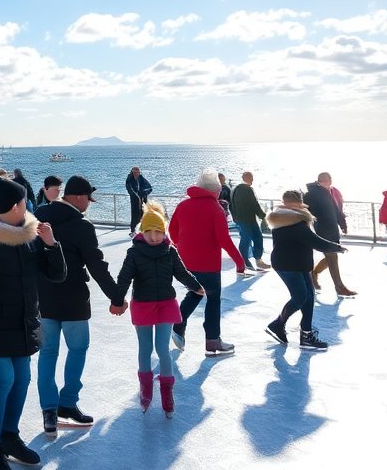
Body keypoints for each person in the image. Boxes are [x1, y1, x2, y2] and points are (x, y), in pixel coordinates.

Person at [0, 177, 65, 470]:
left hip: (24, 322)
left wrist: (51, 244)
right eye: (24, 201)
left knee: (22, 378)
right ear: (17, 205)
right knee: (4, 379)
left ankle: (9, 436)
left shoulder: (32, 234)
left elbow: (57, 275)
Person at [33, 175, 125, 433]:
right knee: (78, 349)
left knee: (47, 353)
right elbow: (97, 265)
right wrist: (116, 297)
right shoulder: (82, 226)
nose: (89, 204)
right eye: (88, 199)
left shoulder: (38, 217)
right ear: (78, 197)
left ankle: (49, 411)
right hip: (73, 299)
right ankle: (67, 403)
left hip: (44, 299)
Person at [111, 203, 202, 417]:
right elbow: (124, 278)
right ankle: (146, 389)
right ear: (142, 231)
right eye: (149, 232)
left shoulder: (170, 251)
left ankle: (167, 393)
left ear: (164, 232)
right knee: (145, 349)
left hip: (165, 305)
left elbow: (181, 273)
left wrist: (195, 286)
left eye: (158, 232)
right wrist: (117, 300)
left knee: (162, 349)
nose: (154, 237)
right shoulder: (134, 253)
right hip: (143, 305)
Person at [168, 170, 246, 356]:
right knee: (212, 299)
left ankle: (178, 325)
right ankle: (212, 341)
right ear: (214, 191)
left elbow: (172, 230)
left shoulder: (183, 205)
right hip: (209, 264)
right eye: (218, 190)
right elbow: (224, 239)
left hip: (186, 263)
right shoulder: (216, 209)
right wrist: (239, 261)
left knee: (195, 291)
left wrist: (180, 246)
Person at [264, 190, 347, 350]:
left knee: (309, 297)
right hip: (288, 265)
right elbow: (314, 241)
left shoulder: (282, 217)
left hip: (299, 263)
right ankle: (277, 324)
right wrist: (336, 247)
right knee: (300, 297)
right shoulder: (295, 221)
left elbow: (306, 241)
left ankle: (306, 335)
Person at [303, 173, 356, 297]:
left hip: (332, 229)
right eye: (325, 180)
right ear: (319, 181)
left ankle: (314, 273)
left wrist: (342, 224)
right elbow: (305, 212)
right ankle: (339, 287)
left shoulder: (328, 192)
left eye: (329, 180)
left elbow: (336, 210)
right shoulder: (311, 194)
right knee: (332, 256)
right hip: (323, 229)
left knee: (331, 256)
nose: (328, 182)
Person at [230, 171, 270, 271]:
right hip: (247, 220)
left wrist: (235, 218)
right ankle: (247, 262)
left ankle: (253, 261)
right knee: (251, 239)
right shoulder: (247, 189)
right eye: (251, 178)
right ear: (246, 178)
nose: (252, 180)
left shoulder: (235, 189)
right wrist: (263, 216)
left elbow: (231, 205)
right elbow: (254, 204)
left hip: (242, 219)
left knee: (249, 239)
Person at [126, 167, 153, 235]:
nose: (137, 173)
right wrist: (136, 195)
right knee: (135, 215)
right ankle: (133, 231)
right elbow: (129, 189)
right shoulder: (129, 178)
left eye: (138, 172)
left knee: (143, 214)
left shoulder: (141, 178)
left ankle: (143, 230)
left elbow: (149, 187)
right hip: (135, 200)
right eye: (135, 172)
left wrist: (144, 193)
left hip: (143, 199)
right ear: (132, 172)